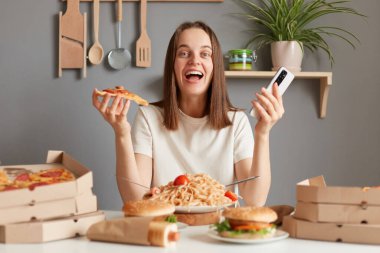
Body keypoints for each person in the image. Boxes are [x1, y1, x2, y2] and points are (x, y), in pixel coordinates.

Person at [92, 21, 284, 206]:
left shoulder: (236, 121)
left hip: (218, 232)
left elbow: (254, 200)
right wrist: (121, 133)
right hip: (166, 230)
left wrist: (263, 133)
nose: (195, 60)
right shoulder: (148, 117)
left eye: (205, 54)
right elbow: (135, 200)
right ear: (173, 65)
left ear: (214, 66)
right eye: (184, 53)